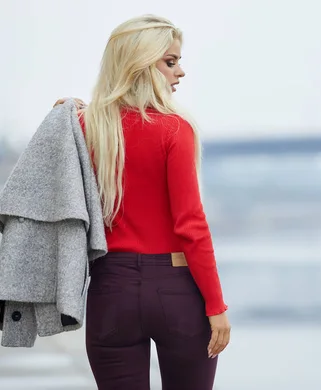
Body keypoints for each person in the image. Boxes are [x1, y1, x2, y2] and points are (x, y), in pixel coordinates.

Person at [54, 14, 230, 390]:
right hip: (176, 289)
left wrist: (68, 113)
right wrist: (216, 307)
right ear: (140, 64)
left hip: (110, 290)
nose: (180, 72)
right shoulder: (174, 129)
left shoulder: (84, 127)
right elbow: (191, 224)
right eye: (170, 62)